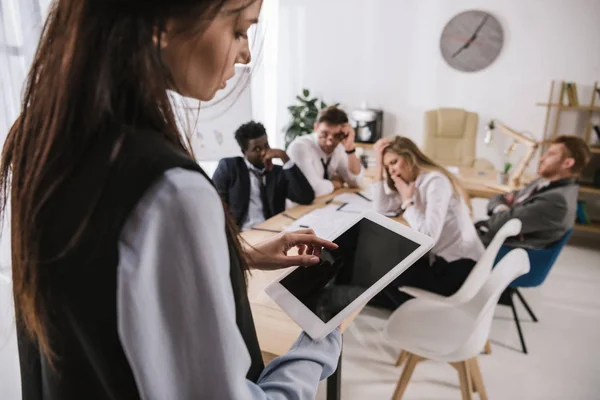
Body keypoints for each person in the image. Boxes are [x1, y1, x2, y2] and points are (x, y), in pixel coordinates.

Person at [0, 1, 344, 399]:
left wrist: (237, 253)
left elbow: (103, 276)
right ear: (162, 22)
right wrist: (317, 345)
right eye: (239, 30)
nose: (246, 53)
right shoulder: (171, 189)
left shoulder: (37, 141)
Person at [369, 136, 484, 309]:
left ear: (409, 157)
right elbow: (381, 208)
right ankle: (402, 306)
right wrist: (378, 165)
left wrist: (408, 202)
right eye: (387, 167)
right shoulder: (413, 183)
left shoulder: (435, 182)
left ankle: (417, 314)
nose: (392, 171)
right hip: (443, 260)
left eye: (394, 162)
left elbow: (429, 236)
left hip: (461, 269)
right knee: (382, 265)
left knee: (384, 272)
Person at [477, 135, 591, 249]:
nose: (542, 158)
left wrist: (503, 210)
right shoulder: (542, 182)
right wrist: (504, 210)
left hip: (500, 252)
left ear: (567, 163)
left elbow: (499, 223)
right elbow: (499, 197)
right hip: (490, 238)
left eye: (550, 154)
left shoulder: (556, 200)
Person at [213, 121, 314, 230]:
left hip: (272, 230)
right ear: (244, 152)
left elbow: (306, 198)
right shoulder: (230, 167)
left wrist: (284, 157)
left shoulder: (276, 172)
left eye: (266, 145)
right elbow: (215, 205)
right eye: (257, 149)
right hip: (243, 234)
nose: (264, 152)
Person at [287, 106, 363, 197]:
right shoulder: (300, 148)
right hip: (296, 209)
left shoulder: (339, 147)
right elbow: (313, 190)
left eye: (336, 135)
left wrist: (350, 148)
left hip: (320, 204)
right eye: (324, 134)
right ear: (316, 127)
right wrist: (335, 183)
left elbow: (356, 182)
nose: (329, 142)